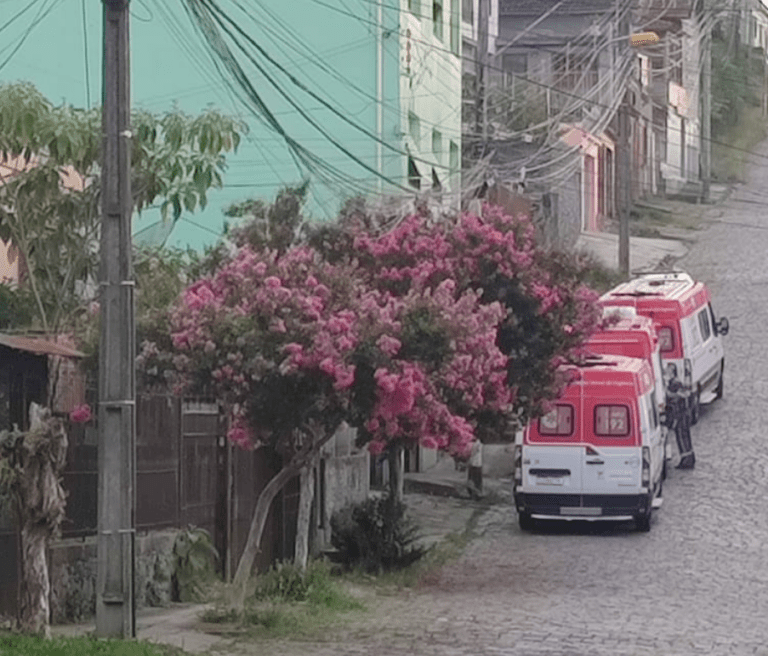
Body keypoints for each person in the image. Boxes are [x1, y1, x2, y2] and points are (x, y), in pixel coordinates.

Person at [665, 365, 695, 469]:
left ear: (672, 372)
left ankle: (687, 460)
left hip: (681, 415)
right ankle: (687, 458)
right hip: (683, 414)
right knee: (683, 436)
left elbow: (679, 395)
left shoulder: (675, 383)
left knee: (682, 437)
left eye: (668, 371)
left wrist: (667, 394)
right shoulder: (675, 382)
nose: (666, 372)